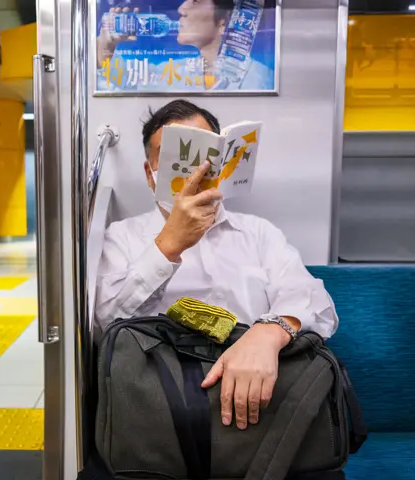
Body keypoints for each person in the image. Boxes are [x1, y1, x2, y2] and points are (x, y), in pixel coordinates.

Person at [95, 100, 338, 431]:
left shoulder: (258, 233)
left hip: (261, 404)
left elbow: (318, 304)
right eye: (172, 161)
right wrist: (169, 245)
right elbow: (106, 326)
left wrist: (268, 333)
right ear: (150, 175)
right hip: (159, 408)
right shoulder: (121, 237)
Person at [96, 0, 274, 92]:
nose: (182, 9)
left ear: (223, 20)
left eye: (195, 1)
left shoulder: (261, 80)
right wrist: (106, 47)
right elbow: (124, 85)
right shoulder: (178, 73)